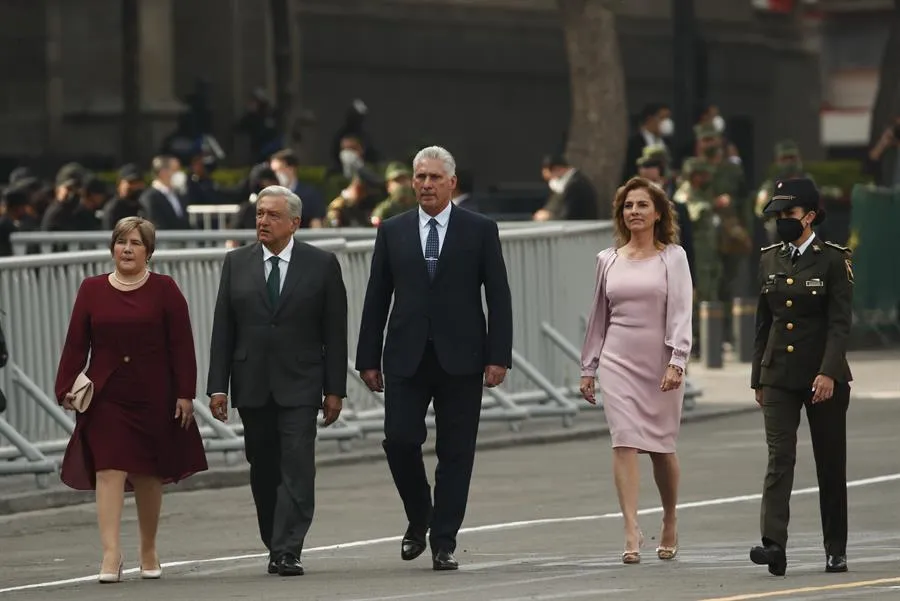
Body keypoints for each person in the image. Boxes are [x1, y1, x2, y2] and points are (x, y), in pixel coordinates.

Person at [355, 145, 513, 571]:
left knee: (456, 451)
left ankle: (444, 539)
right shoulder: (393, 230)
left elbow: (497, 295)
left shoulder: (479, 230)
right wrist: (367, 357)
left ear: (451, 183)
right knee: (400, 440)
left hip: (462, 357)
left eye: (434, 178)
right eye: (420, 177)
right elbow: (376, 296)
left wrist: (499, 356)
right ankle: (419, 514)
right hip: (405, 356)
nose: (426, 184)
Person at [53, 216, 208, 583]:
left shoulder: (165, 289)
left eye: (136, 243)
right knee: (108, 469)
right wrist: (65, 388)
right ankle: (111, 554)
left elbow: (182, 346)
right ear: (112, 248)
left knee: (147, 474)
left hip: (154, 392)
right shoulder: (91, 289)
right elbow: (76, 342)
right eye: (121, 242)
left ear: (148, 252)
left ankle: (148, 548)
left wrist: (186, 393)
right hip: (106, 394)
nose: (127, 248)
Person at [206, 185, 348, 577]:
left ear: (295, 223)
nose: (263, 221)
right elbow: (224, 328)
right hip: (252, 381)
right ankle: (274, 538)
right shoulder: (236, 262)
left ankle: (288, 548)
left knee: (298, 464)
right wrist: (218, 385)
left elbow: (334, 332)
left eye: (272, 215)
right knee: (264, 466)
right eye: (259, 215)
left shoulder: (321, 265)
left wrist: (334, 388)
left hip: (302, 383)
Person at [579, 177, 693, 565]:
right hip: (618, 361)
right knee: (623, 441)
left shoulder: (673, 257)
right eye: (629, 206)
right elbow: (598, 318)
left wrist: (678, 360)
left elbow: (681, 311)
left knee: (662, 448)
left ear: (658, 212)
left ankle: (670, 518)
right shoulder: (607, 259)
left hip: (660, 363)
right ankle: (630, 527)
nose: (635, 212)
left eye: (643, 205)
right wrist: (589, 366)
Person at [749, 177, 853, 577]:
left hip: (822, 376)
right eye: (777, 215)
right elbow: (763, 323)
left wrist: (828, 372)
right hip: (778, 375)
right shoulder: (770, 258)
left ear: (809, 216)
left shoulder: (833, 259)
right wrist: (758, 376)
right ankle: (774, 546)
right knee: (780, 459)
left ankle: (836, 549)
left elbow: (840, 324)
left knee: (830, 464)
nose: (782, 222)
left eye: (789, 214)